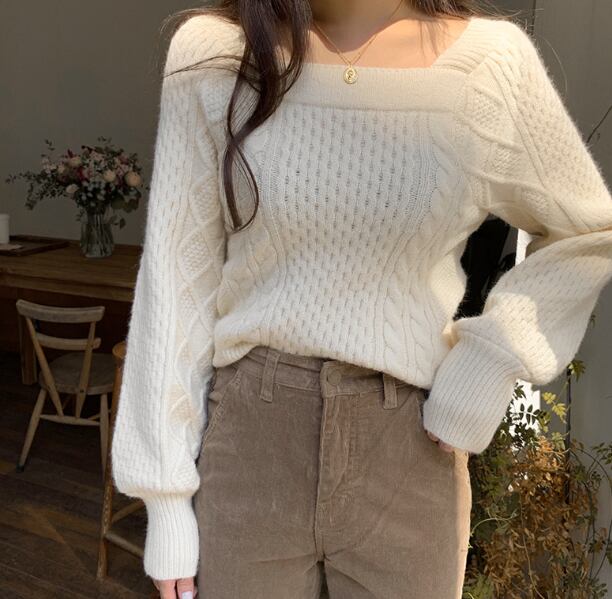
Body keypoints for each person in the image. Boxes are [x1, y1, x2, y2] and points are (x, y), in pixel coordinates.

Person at [111, 0, 612, 597]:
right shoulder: (214, 53)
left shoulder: (488, 67)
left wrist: (490, 361)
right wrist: (166, 498)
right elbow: (177, 278)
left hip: (410, 445)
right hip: (250, 443)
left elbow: (588, 231)